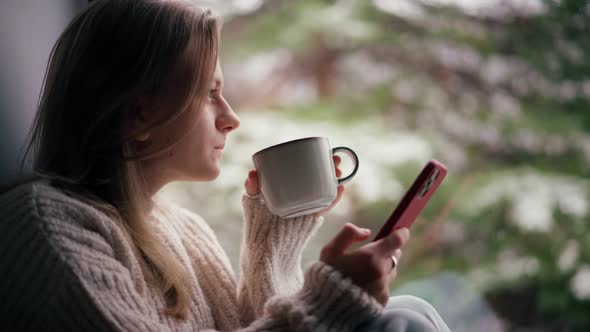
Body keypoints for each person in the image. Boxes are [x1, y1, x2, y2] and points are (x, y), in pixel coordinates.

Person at [0, 1, 451, 331]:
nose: (231, 118)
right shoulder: (48, 225)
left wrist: (275, 233)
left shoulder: (184, 230)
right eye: (210, 93)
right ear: (139, 115)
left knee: (404, 312)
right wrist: (334, 300)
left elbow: (256, 328)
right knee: (399, 323)